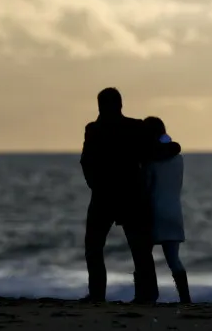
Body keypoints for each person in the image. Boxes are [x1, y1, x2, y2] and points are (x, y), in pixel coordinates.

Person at [80, 87, 162, 304]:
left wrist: (95, 185)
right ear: (120, 105)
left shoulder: (94, 129)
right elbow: (151, 155)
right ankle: (148, 294)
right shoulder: (134, 127)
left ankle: (98, 294)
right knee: (139, 249)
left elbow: (86, 162)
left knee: (94, 247)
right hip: (129, 194)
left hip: (105, 195)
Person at [143, 116, 191, 304]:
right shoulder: (178, 159)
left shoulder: (150, 162)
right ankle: (185, 298)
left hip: (154, 212)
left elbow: (147, 187)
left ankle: (148, 295)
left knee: (144, 257)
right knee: (174, 261)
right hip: (174, 212)